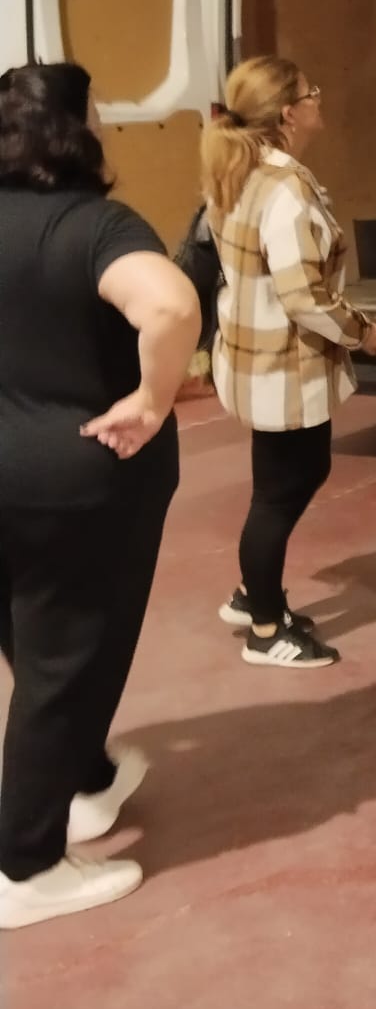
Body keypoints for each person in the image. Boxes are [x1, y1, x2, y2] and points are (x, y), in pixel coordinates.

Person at [0, 63, 200, 927]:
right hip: (72, 484)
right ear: (82, 134)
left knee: (27, 637)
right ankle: (25, 864)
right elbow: (169, 306)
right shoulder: (96, 226)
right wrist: (152, 401)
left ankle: (86, 776)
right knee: (64, 660)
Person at [205, 57, 376, 669]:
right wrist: (363, 332)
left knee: (284, 482)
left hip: (253, 359)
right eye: (312, 93)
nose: (320, 100)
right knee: (282, 491)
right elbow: (305, 298)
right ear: (289, 113)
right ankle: (263, 627)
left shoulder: (238, 169)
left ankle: (255, 594)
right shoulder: (282, 190)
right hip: (282, 367)